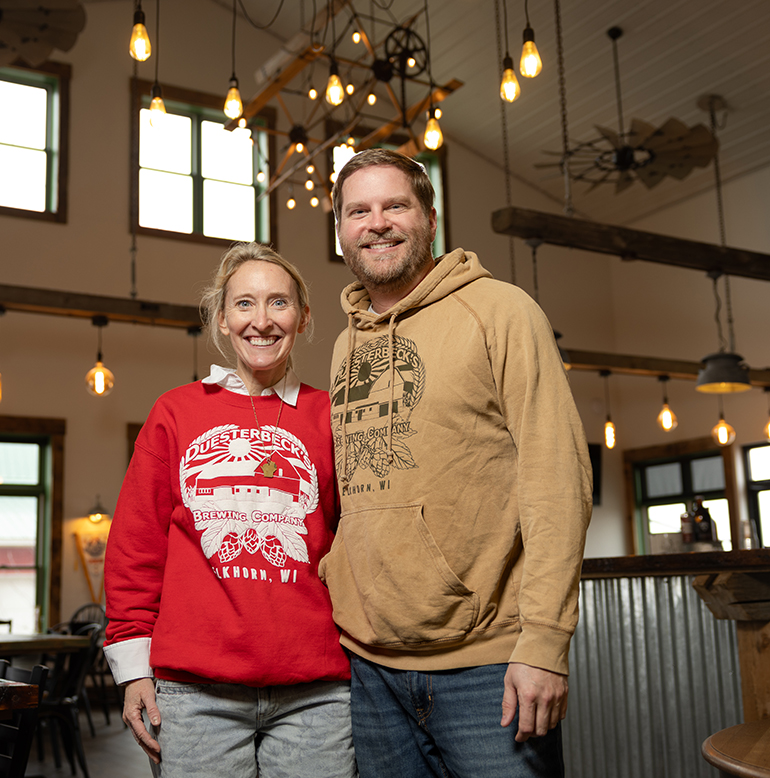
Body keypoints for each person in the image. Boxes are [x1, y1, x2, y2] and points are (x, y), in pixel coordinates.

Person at [320, 148, 592, 778]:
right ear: (339, 231)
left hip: (488, 668)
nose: (377, 223)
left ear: (431, 219)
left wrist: (545, 641)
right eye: (358, 211)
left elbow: (558, 480)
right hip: (367, 668)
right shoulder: (344, 344)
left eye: (395, 205)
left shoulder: (502, 310)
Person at [103, 242, 354, 777]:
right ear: (222, 318)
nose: (261, 321)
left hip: (317, 692)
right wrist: (133, 669)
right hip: (195, 693)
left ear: (303, 316)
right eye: (244, 303)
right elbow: (135, 550)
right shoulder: (175, 412)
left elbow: (357, 543)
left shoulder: (330, 416)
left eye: (279, 303)